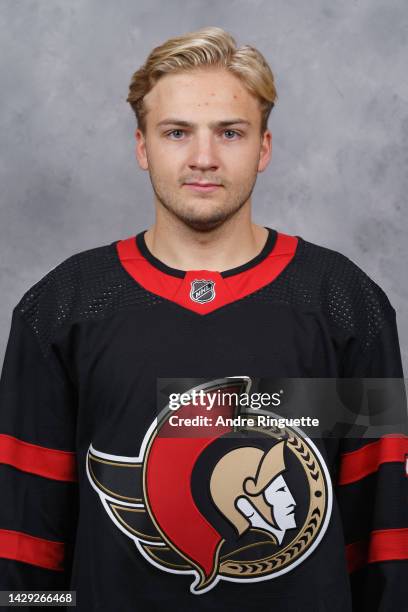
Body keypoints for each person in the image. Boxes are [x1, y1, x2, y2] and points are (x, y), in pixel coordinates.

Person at [0, 25, 407, 611]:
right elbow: (25, 542)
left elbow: (384, 536)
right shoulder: (61, 307)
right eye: (176, 132)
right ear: (142, 147)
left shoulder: (347, 302)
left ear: (264, 148)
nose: (203, 158)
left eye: (230, 132)